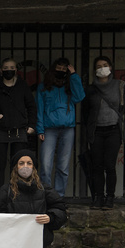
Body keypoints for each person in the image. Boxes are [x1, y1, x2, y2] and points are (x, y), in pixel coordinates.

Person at [83, 56, 125, 210]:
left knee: (110, 166)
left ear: (111, 67)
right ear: (95, 70)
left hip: (114, 130)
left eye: (105, 65)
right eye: (98, 66)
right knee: (97, 166)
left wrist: (117, 114)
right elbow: (86, 111)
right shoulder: (91, 89)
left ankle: (110, 198)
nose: (102, 68)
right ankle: (98, 197)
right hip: (97, 131)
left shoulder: (120, 86)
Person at [36, 57, 86, 196]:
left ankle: (59, 197)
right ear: (53, 69)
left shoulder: (69, 86)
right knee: (46, 165)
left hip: (67, 129)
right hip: (49, 129)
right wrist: (39, 129)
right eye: (59, 68)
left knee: (63, 166)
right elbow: (39, 109)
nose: (61, 71)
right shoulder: (44, 87)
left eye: (64, 69)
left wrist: (74, 75)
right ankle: (46, 196)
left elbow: (80, 96)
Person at [0, 57, 37, 190]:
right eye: (6, 68)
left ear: (16, 70)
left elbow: (31, 106)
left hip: (19, 130)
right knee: (0, 165)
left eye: (12, 68)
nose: (9, 71)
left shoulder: (22, 86)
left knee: (19, 164)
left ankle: (17, 191)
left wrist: (31, 125)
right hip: (1, 130)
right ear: (1, 70)